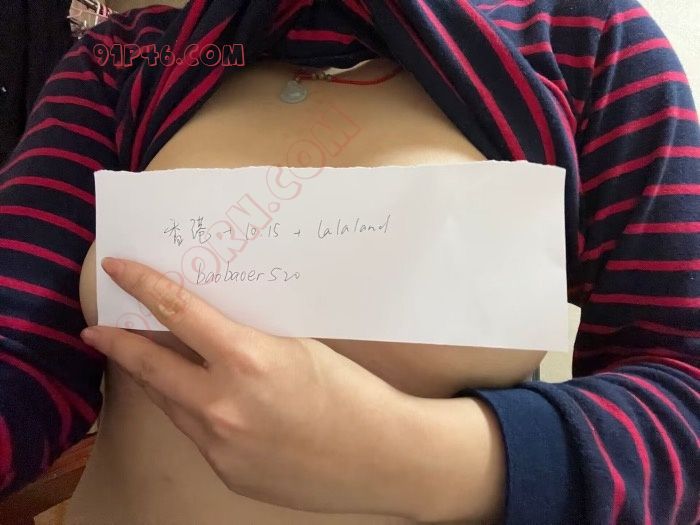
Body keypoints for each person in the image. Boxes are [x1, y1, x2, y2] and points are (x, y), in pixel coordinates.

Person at [0, 0, 698, 524]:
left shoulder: (590, 42)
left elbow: (683, 390)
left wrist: (405, 455)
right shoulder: (126, 58)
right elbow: (20, 350)